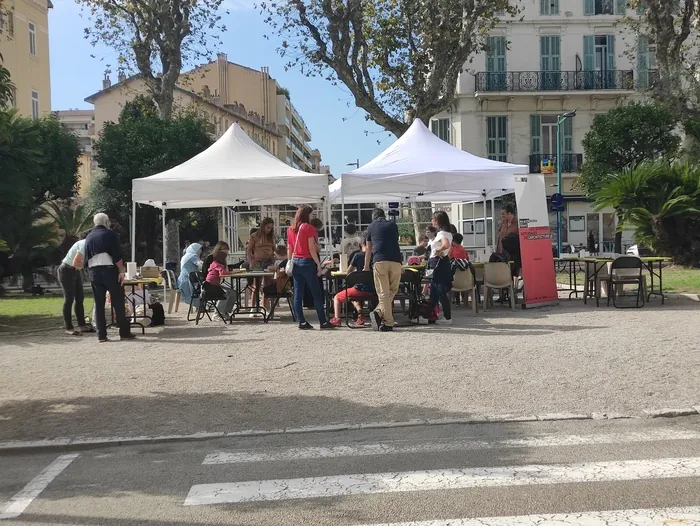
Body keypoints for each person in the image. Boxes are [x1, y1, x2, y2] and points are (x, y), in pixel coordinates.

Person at [84, 213, 135, 342]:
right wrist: (121, 271)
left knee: (99, 304)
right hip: (109, 271)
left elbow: (85, 258)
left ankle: (101, 335)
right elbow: (116, 255)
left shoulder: (88, 237)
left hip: (94, 272)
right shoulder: (109, 234)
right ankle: (124, 332)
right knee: (118, 302)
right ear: (106, 222)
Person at [287, 205, 334, 330]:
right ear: (306, 215)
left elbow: (289, 248)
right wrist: (318, 264)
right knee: (316, 293)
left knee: (298, 293)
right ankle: (323, 321)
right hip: (307, 261)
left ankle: (301, 322)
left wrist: (289, 261)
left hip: (295, 261)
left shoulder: (291, 229)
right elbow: (311, 248)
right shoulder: (308, 228)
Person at [365, 208, 402, 332]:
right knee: (393, 290)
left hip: (380, 260)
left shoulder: (371, 226)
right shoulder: (393, 225)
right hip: (396, 260)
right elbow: (395, 242)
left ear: (373, 217)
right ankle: (378, 312)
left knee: (383, 294)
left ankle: (388, 322)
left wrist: (366, 266)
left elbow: (368, 249)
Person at [330, 234, 374, 327]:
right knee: (355, 296)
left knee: (337, 297)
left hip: (360, 288)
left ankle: (337, 319)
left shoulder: (358, 256)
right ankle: (360, 314)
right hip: (374, 289)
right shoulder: (376, 256)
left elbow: (348, 272)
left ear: (361, 245)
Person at [421, 210, 453, 325]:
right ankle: (427, 315)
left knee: (440, 290)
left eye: (433, 219)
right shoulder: (446, 233)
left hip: (437, 263)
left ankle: (448, 317)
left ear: (438, 220)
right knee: (434, 291)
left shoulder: (442, 234)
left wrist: (437, 250)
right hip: (437, 262)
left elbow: (446, 245)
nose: (431, 221)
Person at [57, 237, 92, 336]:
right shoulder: (84, 244)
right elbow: (76, 262)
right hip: (66, 270)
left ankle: (82, 325)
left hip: (76, 271)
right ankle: (68, 327)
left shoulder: (89, 244)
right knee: (69, 299)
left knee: (80, 298)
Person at [203, 250, 237, 319]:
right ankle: (217, 314)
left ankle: (225, 312)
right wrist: (233, 272)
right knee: (226, 293)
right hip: (210, 286)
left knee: (233, 293)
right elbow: (223, 273)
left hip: (215, 285)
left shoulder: (217, 264)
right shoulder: (216, 264)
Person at [178, 242, 203, 307]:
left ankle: (200, 304)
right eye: (199, 249)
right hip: (188, 280)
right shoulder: (192, 256)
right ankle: (200, 305)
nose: (200, 251)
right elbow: (200, 265)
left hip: (183, 279)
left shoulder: (186, 256)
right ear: (195, 249)